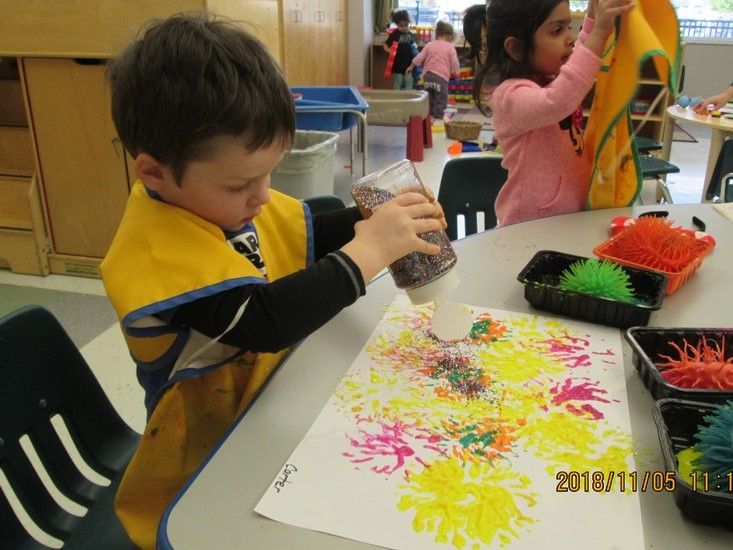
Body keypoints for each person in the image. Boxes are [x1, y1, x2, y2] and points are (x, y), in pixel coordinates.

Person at [101, 13, 446, 549]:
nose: (262, 196)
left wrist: (383, 220)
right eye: (244, 183)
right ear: (154, 173)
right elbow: (264, 320)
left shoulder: (218, 199)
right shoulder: (151, 249)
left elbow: (309, 230)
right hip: (201, 451)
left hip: (261, 405)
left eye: (269, 172)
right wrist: (371, 249)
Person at [472, 0, 635, 226]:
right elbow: (557, 100)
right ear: (516, 48)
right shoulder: (510, 97)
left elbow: (575, 58)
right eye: (557, 30)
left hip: (565, 220)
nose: (569, 38)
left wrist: (593, 19)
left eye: (569, 26)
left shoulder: (549, 77)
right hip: (528, 226)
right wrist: (599, 34)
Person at [407, 21, 460, 120]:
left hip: (427, 76)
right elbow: (454, 62)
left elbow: (419, 57)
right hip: (441, 77)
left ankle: (429, 115)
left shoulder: (429, 45)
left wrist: (411, 66)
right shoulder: (450, 47)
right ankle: (439, 116)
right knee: (441, 98)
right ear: (449, 36)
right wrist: (456, 73)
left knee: (429, 96)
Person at [383, 9, 417, 90]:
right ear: (397, 24)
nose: (404, 28)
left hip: (408, 63)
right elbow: (385, 44)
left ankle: (409, 98)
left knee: (409, 80)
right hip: (397, 63)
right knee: (398, 80)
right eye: (401, 26)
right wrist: (388, 50)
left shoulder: (410, 34)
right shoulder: (394, 34)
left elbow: (413, 45)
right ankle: (396, 97)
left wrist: (415, 49)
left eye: (406, 25)